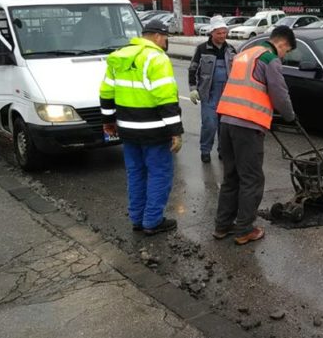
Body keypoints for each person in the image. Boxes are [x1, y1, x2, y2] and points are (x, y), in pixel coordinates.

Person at [99, 18, 184, 235]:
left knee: (135, 173)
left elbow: (106, 93)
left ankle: (137, 218)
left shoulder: (120, 56)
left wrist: (108, 121)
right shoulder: (156, 58)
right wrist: (176, 132)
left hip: (127, 129)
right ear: (157, 36)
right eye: (165, 37)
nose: (166, 41)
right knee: (159, 174)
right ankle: (152, 221)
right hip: (154, 131)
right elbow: (165, 98)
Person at [213, 26, 297, 246]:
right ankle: (244, 230)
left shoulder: (244, 54)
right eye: (286, 52)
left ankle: (222, 226)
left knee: (231, 177)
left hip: (226, 121)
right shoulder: (269, 58)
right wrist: (290, 116)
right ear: (283, 44)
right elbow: (279, 93)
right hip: (247, 124)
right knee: (252, 179)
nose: (284, 55)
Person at [188, 15, 237, 163]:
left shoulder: (231, 50)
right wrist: (193, 88)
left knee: (225, 126)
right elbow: (192, 69)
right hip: (209, 94)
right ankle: (205, 150)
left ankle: (223, 151)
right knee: (209, 124)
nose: (222, 36)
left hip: (227, 93)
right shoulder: (202, 49)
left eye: (224, 33)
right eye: (219, 33)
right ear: (212, 33)